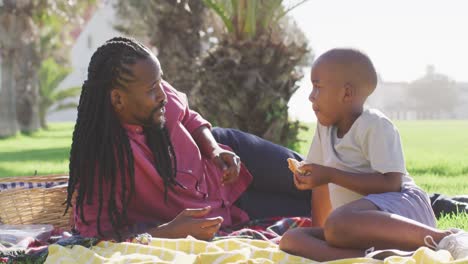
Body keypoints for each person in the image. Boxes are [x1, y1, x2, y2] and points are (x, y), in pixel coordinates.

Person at [65, 37, 310, 241]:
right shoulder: (100, 161)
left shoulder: (153, 90)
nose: (163, 95)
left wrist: (213, 150)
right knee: (321, 212)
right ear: (118, 99)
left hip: (233, 156)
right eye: (152, 89)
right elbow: (95, 237)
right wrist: (168, 232)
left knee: (317, 178)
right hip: (234, 208)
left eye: (160, 82)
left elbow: (189, 118)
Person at [278, 48, 468, 261]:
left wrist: (330, 176)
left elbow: (391, 184)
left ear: (346, 93)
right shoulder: (325, 130)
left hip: (402, 212)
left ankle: (444, 238)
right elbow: (321, 190)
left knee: (338, 222)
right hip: (354, 227)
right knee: (291, 239)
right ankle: (371, 256)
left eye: (317, 87)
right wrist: (325, 235)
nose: (311, 96)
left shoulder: (374, 125)